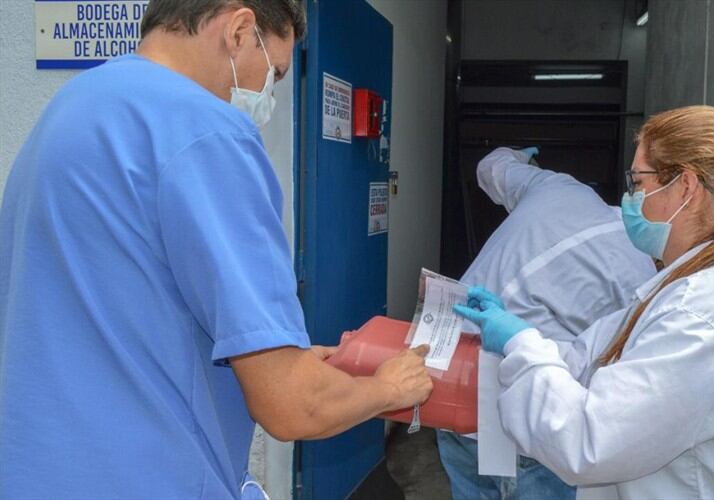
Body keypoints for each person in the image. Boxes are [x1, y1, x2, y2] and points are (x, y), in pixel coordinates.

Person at [0, 1, 432, 498]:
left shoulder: (74, 106)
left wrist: (276, 356)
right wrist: (389, 389)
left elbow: (118, 310)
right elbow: (292, 406)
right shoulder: (207, 133)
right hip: (148, 476)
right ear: (240, 29)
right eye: (275, 72)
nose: (268, 93)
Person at [455, 105, 714, 499]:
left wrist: (519, 344)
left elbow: (587, 443)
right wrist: (515, 334)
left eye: (638, 181)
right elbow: (588, 358)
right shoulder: (683, 289)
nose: (629, 198)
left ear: (686, 188)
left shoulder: (706, 310)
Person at [437, 147, 656, 499]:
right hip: (524, 417)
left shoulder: (557, 187)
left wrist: (521, 158)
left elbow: (492, 166)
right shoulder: (641, 274)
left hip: (448, 381)